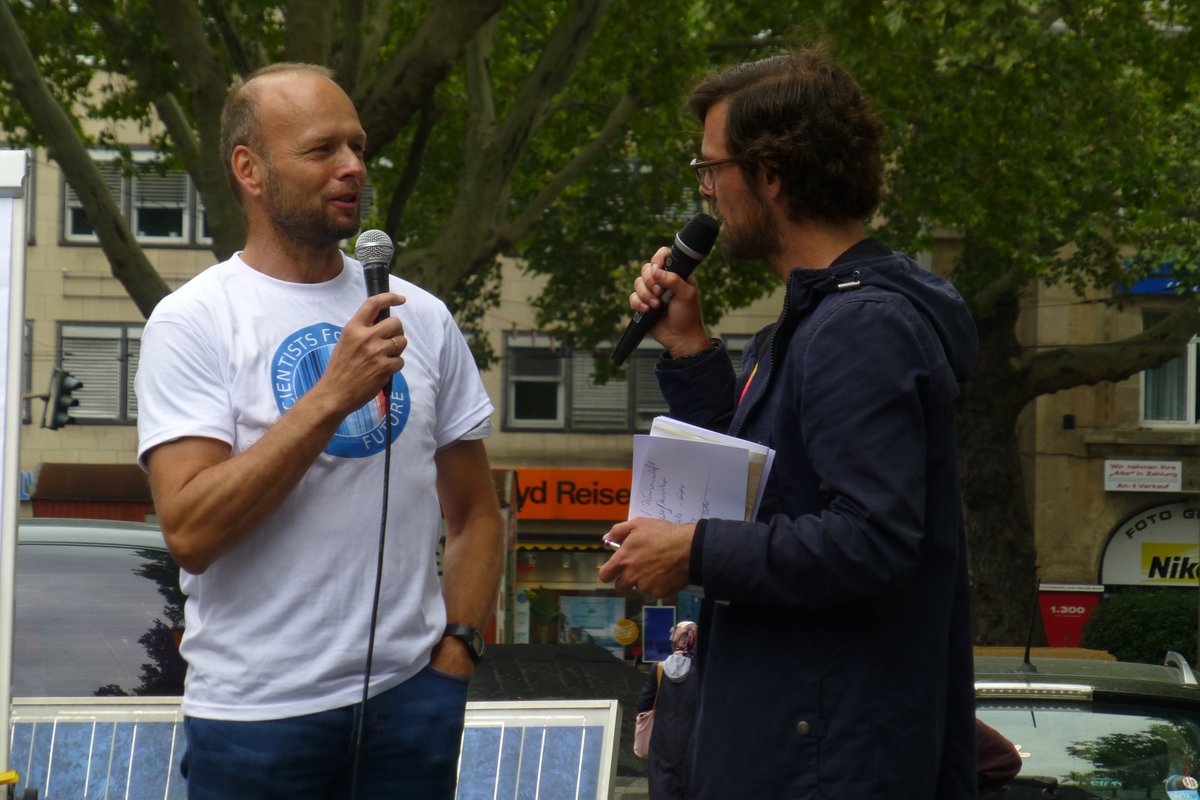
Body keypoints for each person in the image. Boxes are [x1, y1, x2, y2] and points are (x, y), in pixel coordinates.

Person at [598, 46, 979, 798]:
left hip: (822, 759)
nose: (705, 195)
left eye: (712, 169)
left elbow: (872, 539)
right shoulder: (818, 320)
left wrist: (695, 550)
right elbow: (768, 488)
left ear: (771, 174)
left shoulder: (858, 326)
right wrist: (693, 351)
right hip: (803, 743)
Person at [135, 63, 503, 799]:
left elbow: (475, 514)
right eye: (322, 150)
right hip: (256, 721)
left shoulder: (420, 317)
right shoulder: (194, 321)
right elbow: (192, 532)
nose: (353, 168)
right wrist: (329, 397)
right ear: (251, 170)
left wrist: (456, 652)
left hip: (410, 704)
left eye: (359, 147)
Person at [636, 621, 699, 800]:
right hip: (692, 740)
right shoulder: (702, 672)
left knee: (662, 789)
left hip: (662, 741)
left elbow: (643, 705)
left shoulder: (659, 669)